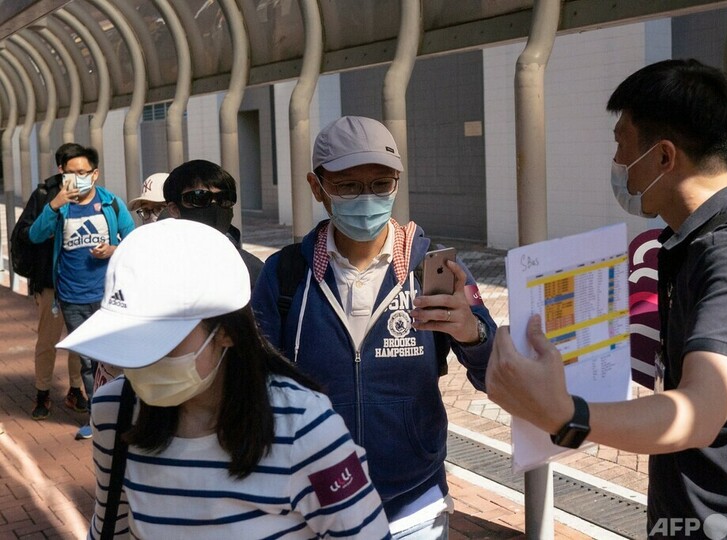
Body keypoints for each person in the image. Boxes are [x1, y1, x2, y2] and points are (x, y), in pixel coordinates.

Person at [486, 59, 727, 537]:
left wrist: (568, 416)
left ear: (663, 157)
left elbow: (699, 411)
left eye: (622, 144)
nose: (617, 162)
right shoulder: (693, 243)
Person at [57, 219, 390, 539]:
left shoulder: (305, 426)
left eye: (160, 341)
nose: (141, 360)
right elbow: (111, 524)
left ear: (227, 332)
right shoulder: (114, 411)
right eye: (126, 339)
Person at [251, 115, 496, 538]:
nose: (367, 198)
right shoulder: (285, 275)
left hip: (414, 507)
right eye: (348, 186)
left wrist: (473, 334)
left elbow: (495, 375)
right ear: (317, 187)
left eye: (381, 184)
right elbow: (256, 382)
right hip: (313, 507)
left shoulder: (433, 270)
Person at [28, 144, 135, 439]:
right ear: (62, 173)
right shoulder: (60, 207)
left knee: (116, 357)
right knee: (88, 361)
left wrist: (112, 249)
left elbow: (132, 240)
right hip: (71, 297)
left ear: (95, 174)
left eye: (83, 173)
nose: (77, 178)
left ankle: (125, 413)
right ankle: (97, 417)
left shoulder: (111, 203)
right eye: (71, 173)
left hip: (108, 296)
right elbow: (35, 235)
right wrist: (54, 205)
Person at [15, 142, 87, 420]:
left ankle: (75, 390)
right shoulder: (44, 194)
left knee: (80, 340)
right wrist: (49, 229)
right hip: (50, 282)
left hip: (81, 283)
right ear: (61, 168)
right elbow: (24, 232)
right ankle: (42, 393)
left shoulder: (93, 195)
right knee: (48, 340)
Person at [162, 159, 264, 286]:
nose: (215, 206)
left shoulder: (252, 270)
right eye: (200, 197)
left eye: (224, 198)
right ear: (174, 209)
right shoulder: (157, 264)